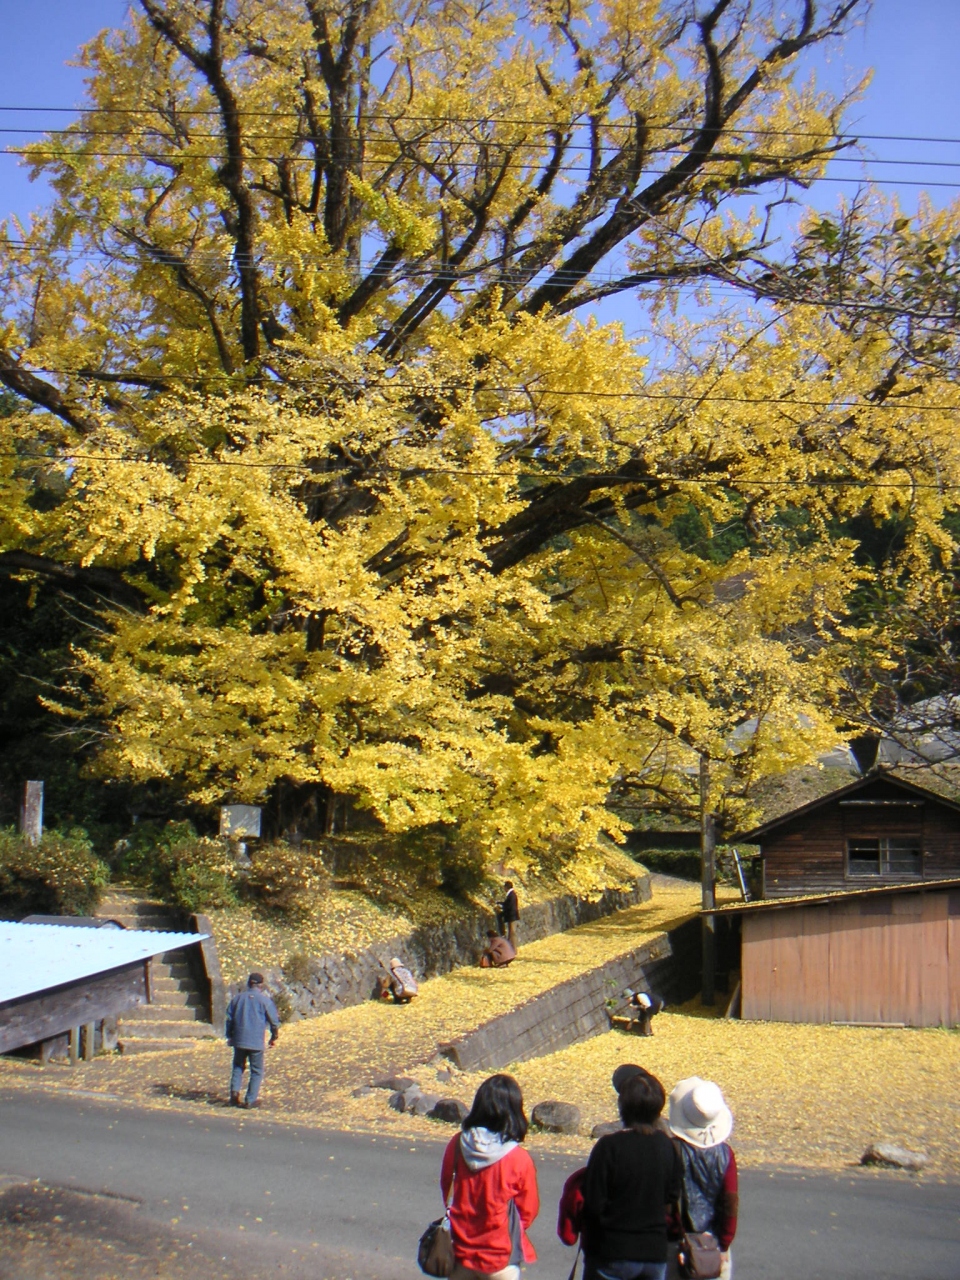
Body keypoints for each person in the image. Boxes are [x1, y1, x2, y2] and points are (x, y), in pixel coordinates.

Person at [580, 1071, 682, 1280]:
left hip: (613, 1250)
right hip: (654, 1252)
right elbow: (671, 1197)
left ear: (623, 1108)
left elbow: (593, 1203)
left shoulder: (609, 1147)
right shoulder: (667, 1147)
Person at [440, 1073, 540, 1280]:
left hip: (459, 1251)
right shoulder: (519, 1158)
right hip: (500, 1256)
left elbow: (447, 1189)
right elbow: (527, 1211)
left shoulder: (457, 1145)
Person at [667, 1078, 738, 1280]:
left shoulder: (672, 1150)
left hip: (677, 1243)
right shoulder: (726, 1155)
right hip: (712, 1244)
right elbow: (729, 1204)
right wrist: (723, 1244)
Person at [225, 972, 280, 1109]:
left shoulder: (237, 999)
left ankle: (234, 1093)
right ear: (261, 985)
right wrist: (274, 1037)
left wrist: (230, 1036)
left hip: (239, 1039)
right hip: (255, 1042)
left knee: (238, 1067)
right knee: (256, 1071)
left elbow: (229, 1019)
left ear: (248, 983)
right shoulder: (264, 1001)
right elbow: (274, 1022)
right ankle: (250, 1100)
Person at [498, 882, 520, 948]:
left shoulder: (511, 895)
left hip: (512, 916)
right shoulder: (512, 894)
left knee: (512, 933)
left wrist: (501, 907)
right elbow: (507, 903)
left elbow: (509, 905)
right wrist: (500, 904)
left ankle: (513, 948)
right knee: (511, 933)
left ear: (506, 887)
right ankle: (511, 948)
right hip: (512, 916)